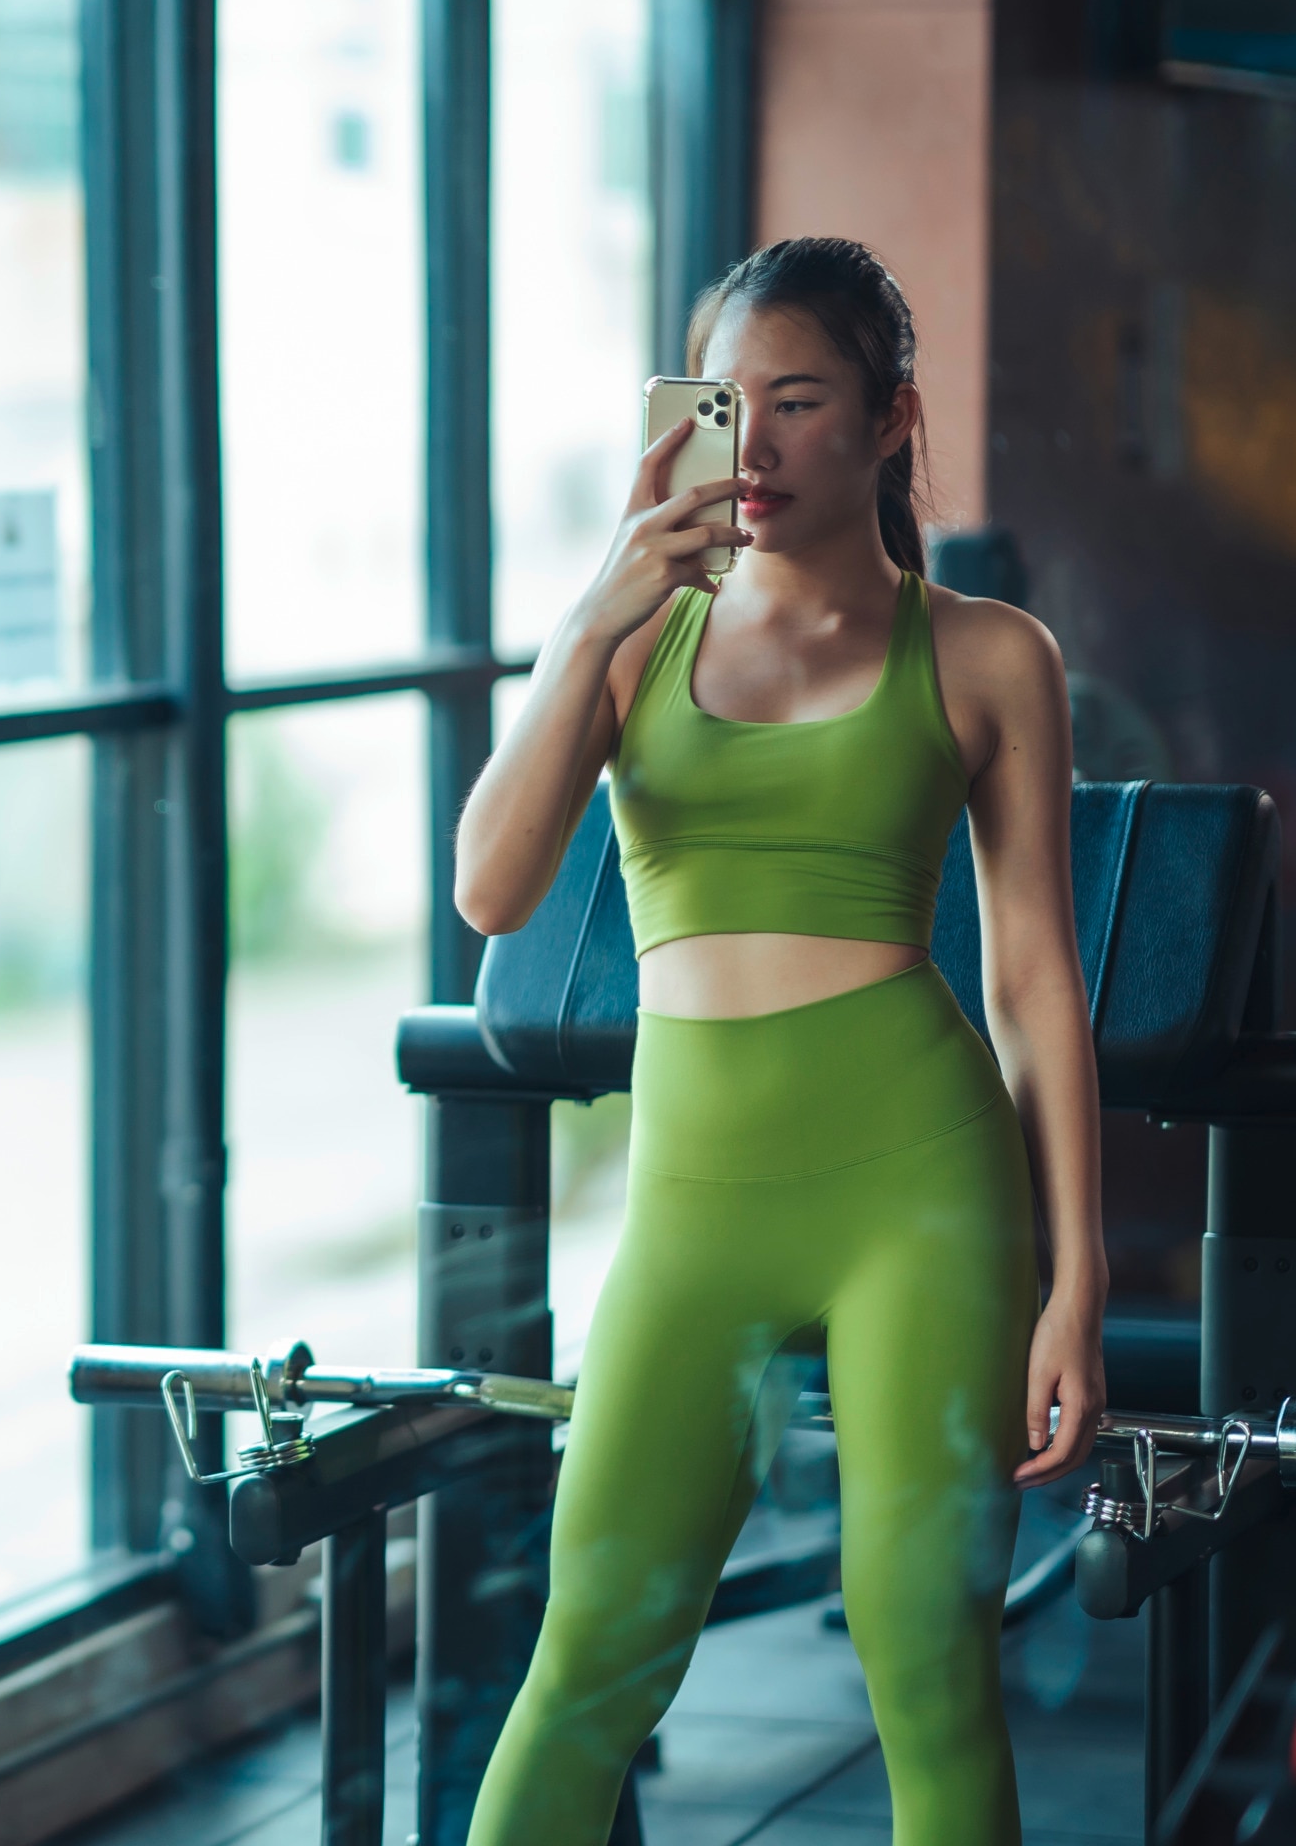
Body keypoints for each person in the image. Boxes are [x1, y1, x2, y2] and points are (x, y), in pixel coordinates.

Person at [450, 236, 1105, 1845]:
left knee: (924, 1655)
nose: (755, 444)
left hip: (921, 1186)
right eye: (724, 404)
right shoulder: (631, 634)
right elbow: (492, 886)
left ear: (891, 420)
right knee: (589, 1657)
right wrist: (602, 608)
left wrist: (1076, 1286)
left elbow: (1033, 983)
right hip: (695, 1203)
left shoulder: (989, 653)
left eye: (798, 402)